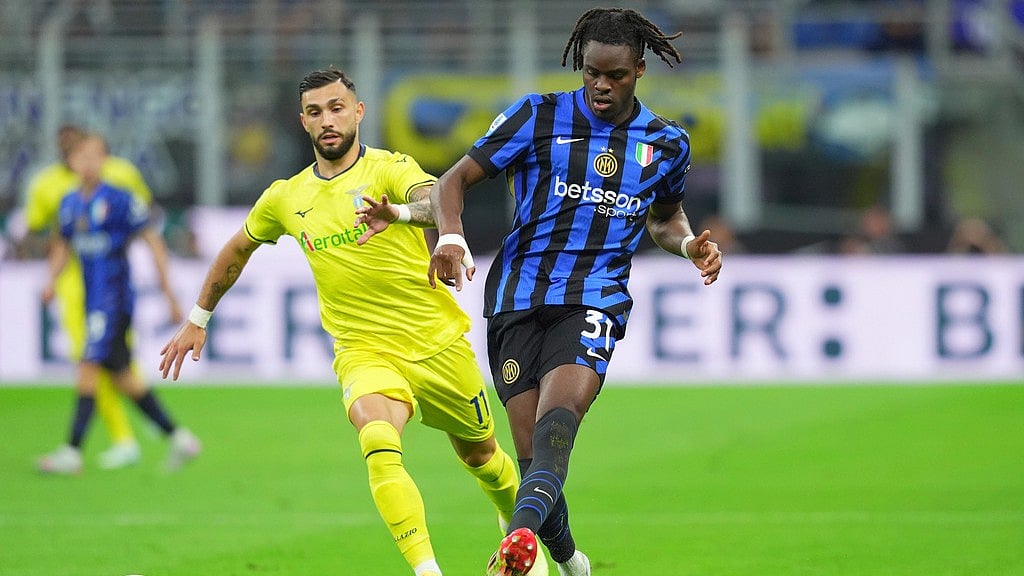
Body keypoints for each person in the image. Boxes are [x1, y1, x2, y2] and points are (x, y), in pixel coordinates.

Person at [157, 68, 546, 576]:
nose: (328, 120)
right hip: (364, 351)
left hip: (437, 343)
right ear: (303, 123)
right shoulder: (286, 197)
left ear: (358, 112)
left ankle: (515, 530)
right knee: (378, 439)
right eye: (316, 112)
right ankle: (427, 570)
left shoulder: (390, 168)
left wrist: (408, 217)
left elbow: (436, 199)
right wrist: (197, 317)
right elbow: (237, 248)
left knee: (483, 457)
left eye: (337, 108)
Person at [428, 8, 722, 576]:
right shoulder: (536, 116)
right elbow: (452, 181)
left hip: (595, 297)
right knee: (533, 456)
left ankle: (516, 543)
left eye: (615, 75)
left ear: (639, 69)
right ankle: (570, 561)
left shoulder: (665, 142)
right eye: (592, 73)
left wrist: (688, 246)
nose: (601, 86)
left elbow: (666, 218)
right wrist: (451, 237)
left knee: (558, 422)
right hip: (516, 296)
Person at [37, 134, 200, 475]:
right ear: (71, 162)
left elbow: (153, 242)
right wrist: (51, 282)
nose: (89, 163)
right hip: (91, 297)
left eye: (96, 156)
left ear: (105, 161)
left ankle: (71, 451)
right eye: (82, 156)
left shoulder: (121, 200)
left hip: (113, 298)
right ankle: (180, 438)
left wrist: (168, 292)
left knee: (87, 364)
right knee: (123, 376)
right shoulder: (69, 203)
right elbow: (62, 245)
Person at [21, 125, 154, 469]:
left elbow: (144, 219)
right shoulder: (49, 185)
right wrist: (51, 278)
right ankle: (159, 431)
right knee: (104, 366)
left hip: (112, 288)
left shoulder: (121, 177)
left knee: (97, 363)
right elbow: (44, 232)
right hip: (73, 287)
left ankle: (108, 441)